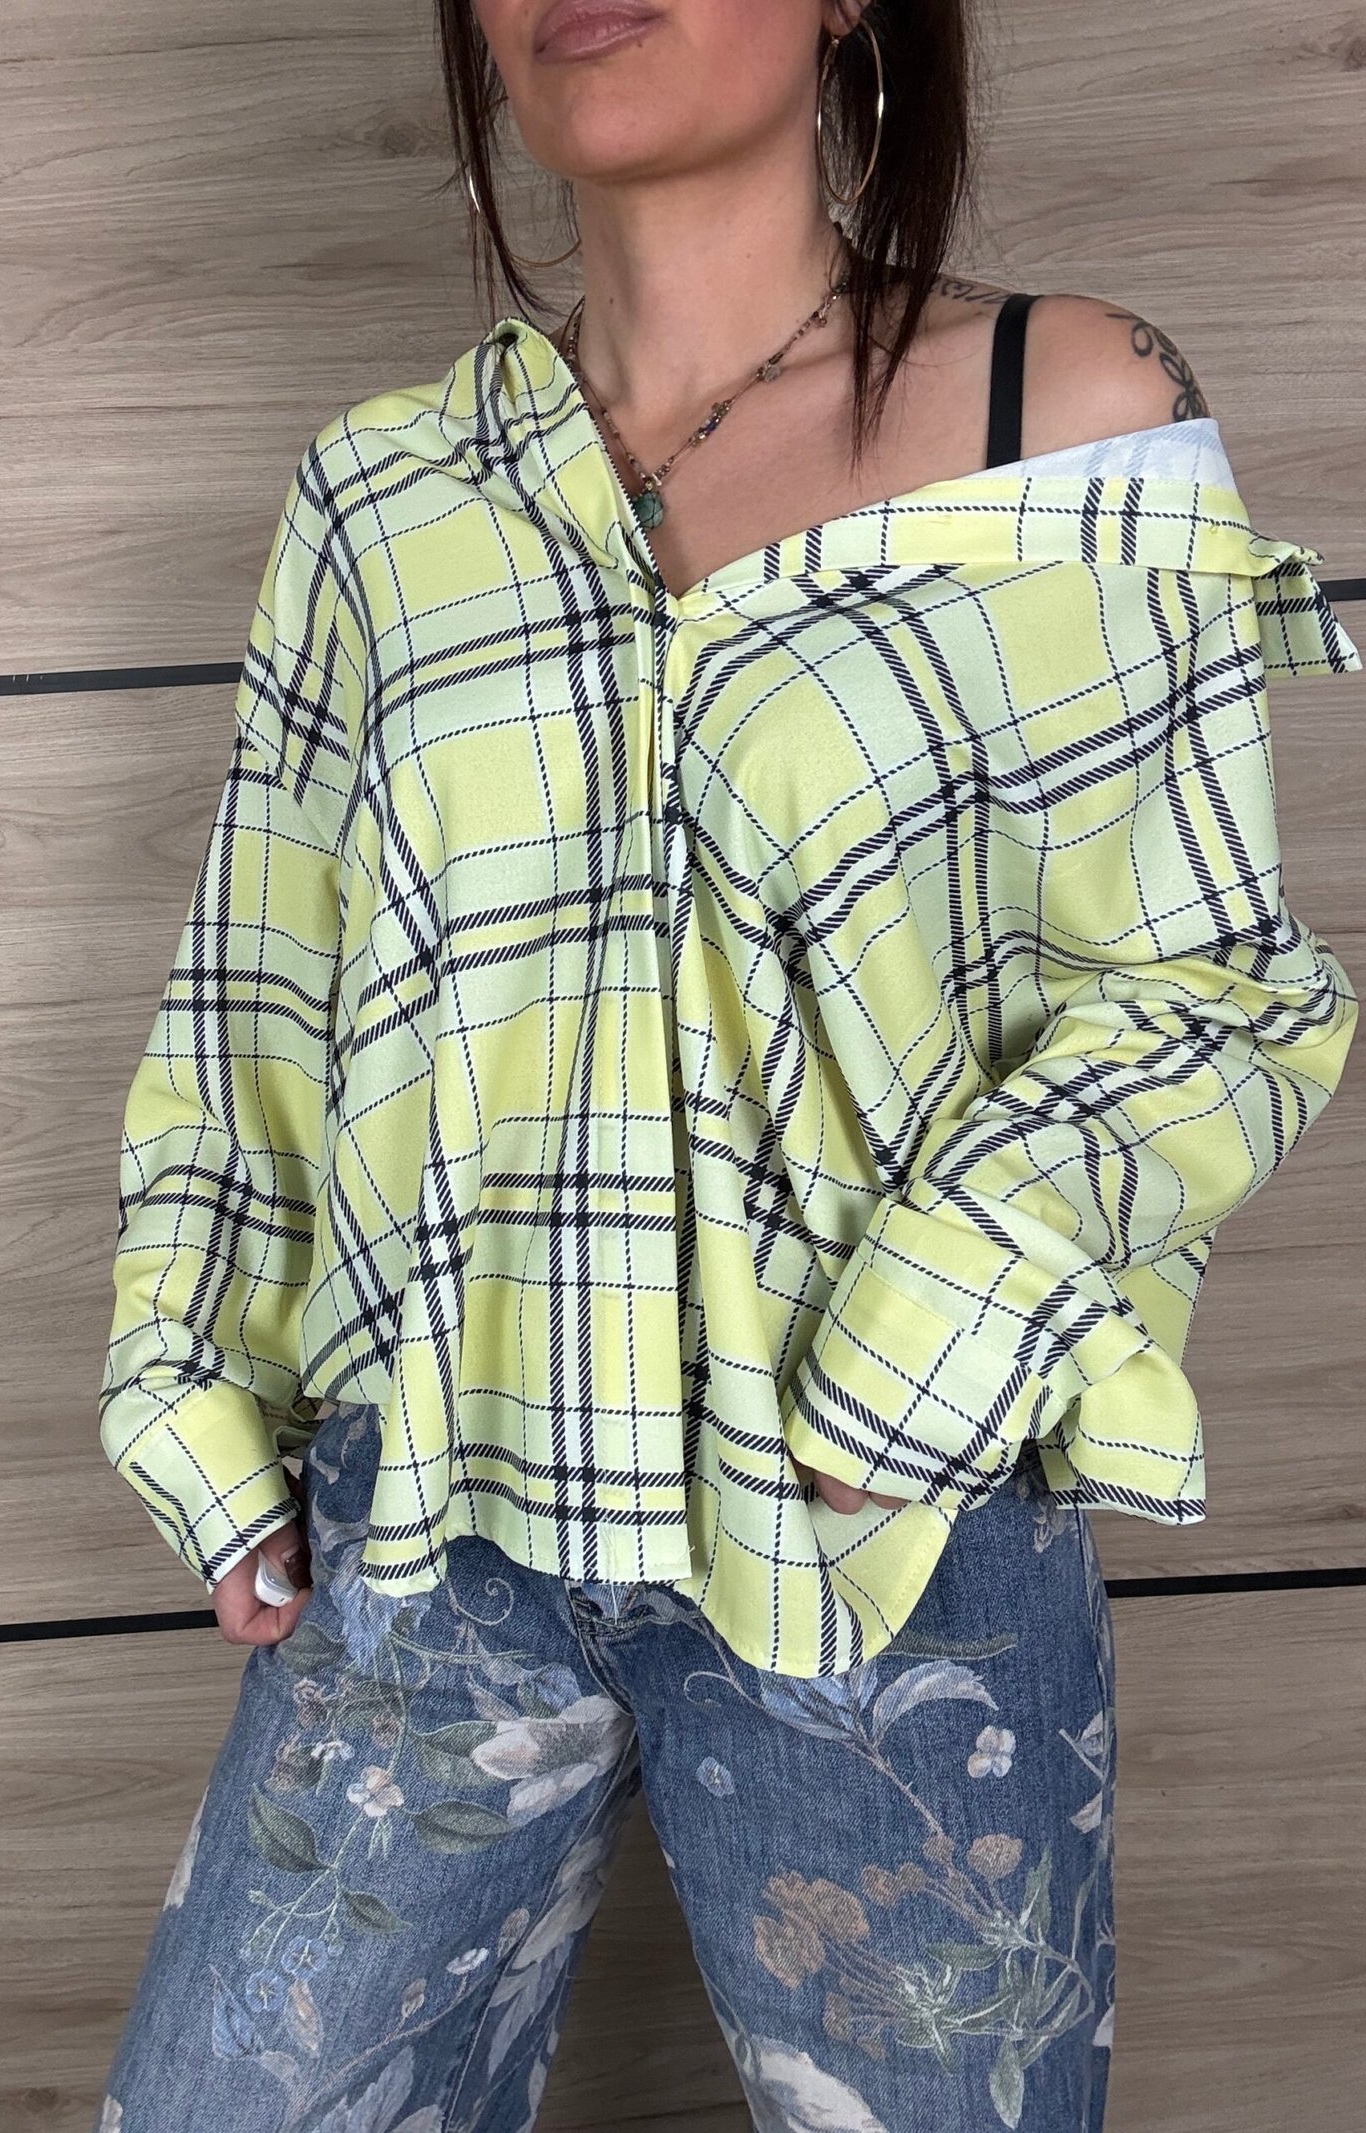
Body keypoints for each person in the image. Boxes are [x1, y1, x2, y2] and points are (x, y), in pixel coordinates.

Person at [90, 5, 1360, 2129]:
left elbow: (1210, 987)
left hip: (888, 1536)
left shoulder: (1059, 412)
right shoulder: (386, 501)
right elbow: (255, 1003)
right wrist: (190, 1378)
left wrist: (912, 1355)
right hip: (435, 1531)